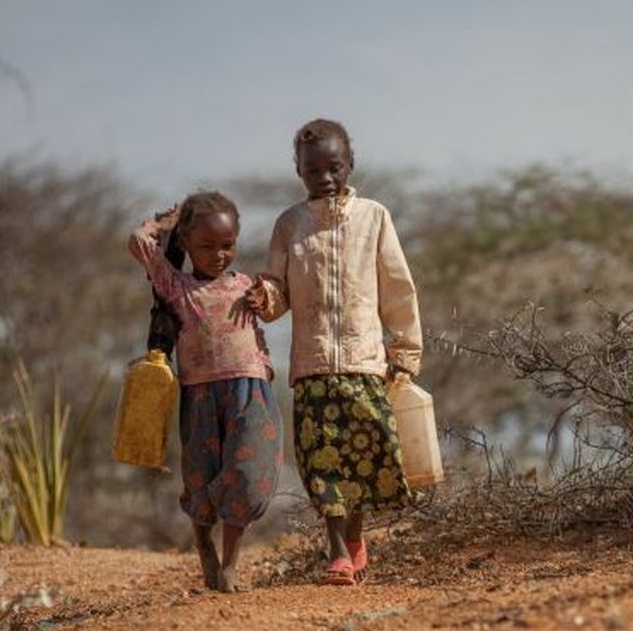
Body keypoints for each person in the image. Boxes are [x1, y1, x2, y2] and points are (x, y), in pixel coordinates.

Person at [246, 119, 422, 586]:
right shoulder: (289, 224)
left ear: (350, 164)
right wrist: (264, 296)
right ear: (298, 171)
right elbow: (277, 290)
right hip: (312, 365)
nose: (324, 178)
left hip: (365, 362)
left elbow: (398, 290)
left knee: (364, 456)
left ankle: (356, 538)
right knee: (322, 460)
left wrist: (404, 352)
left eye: (334, 167)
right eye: (313, 171)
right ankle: (337, 550)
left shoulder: (374, 217)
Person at [126, 192, 284, 593]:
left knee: (247, 476)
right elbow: (138, 242)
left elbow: (274, 305)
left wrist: (265, 298)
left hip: (250, 391)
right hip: (200, 396)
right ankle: (203, 543)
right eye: (207, 246)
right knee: (201, 478)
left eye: (227, 245)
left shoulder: (246, 285)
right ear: (187, 243)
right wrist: (167, 221)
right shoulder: (175, 286)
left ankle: (231, 563)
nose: (218, 255)